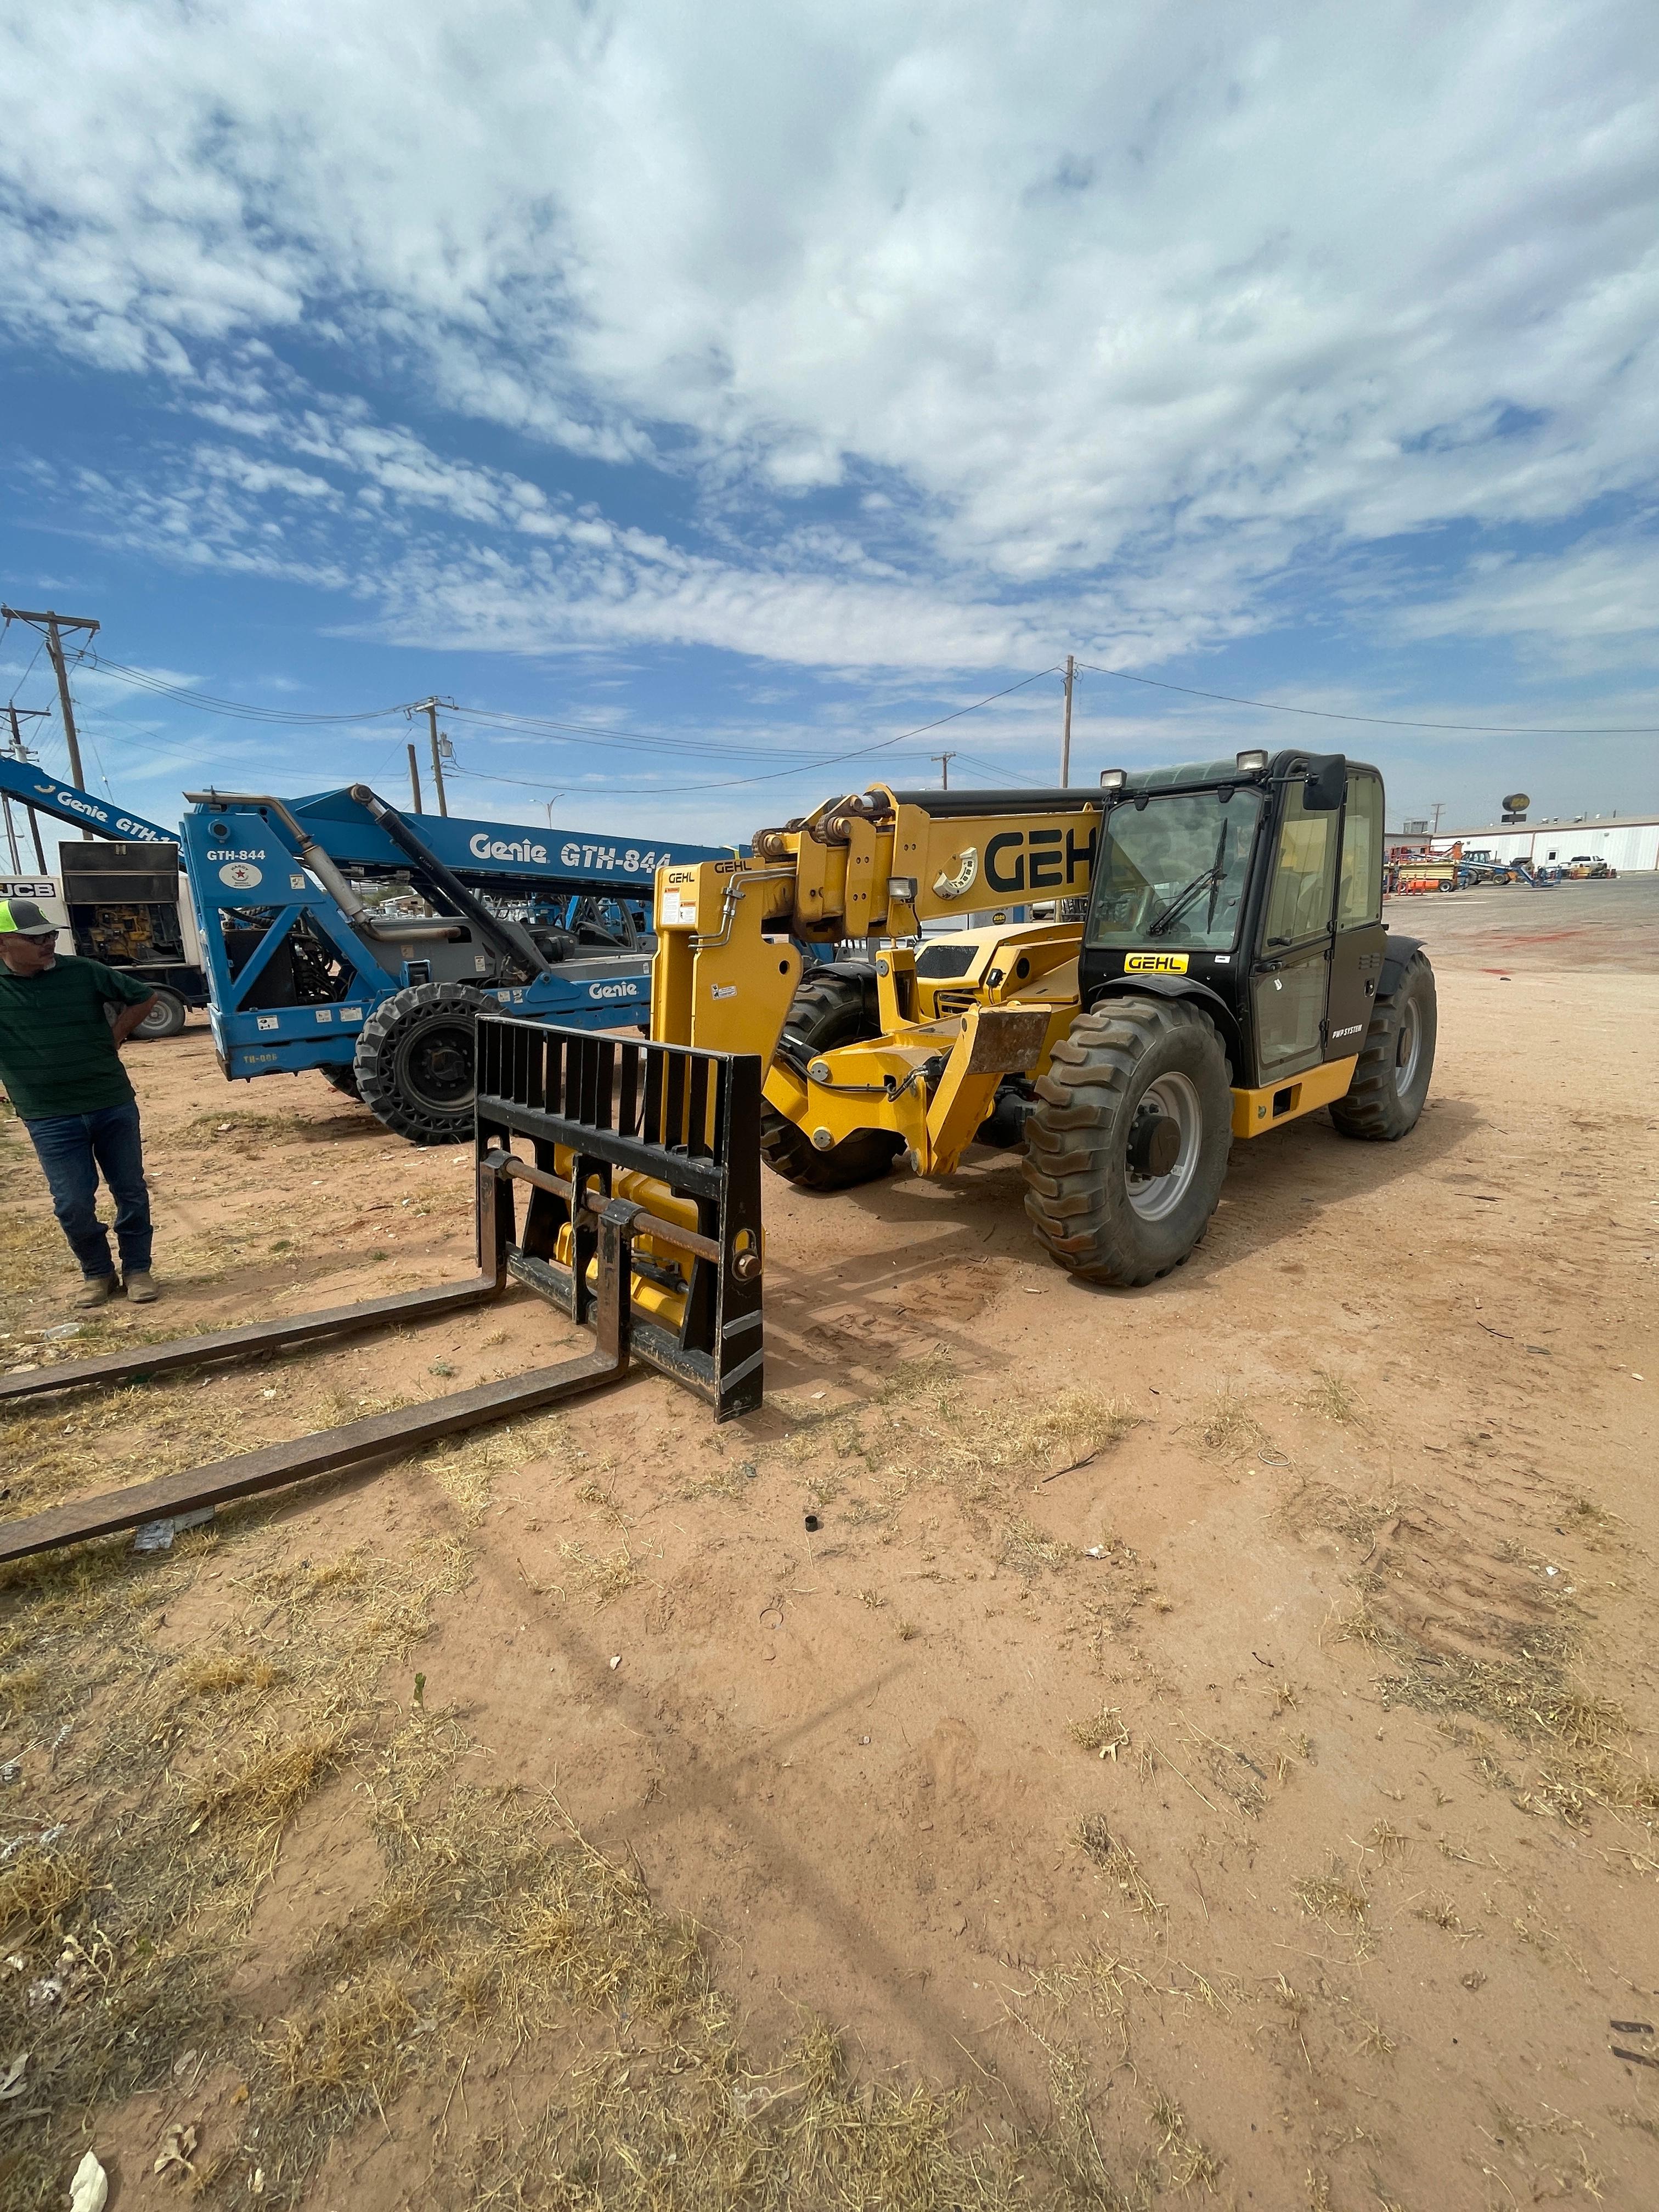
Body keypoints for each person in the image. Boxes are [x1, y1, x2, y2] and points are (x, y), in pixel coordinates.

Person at [0, 895, 162, 1307]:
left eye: (50, 935)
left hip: (110, 1101)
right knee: (72, 1203)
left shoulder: (83, 973)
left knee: (129, 1190)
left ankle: (138, 1270)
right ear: (3, 944)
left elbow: (143, 996)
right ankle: (97, 1274)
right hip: (49, 1115)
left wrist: (117, 1035)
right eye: (35, 938)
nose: (47, 943)